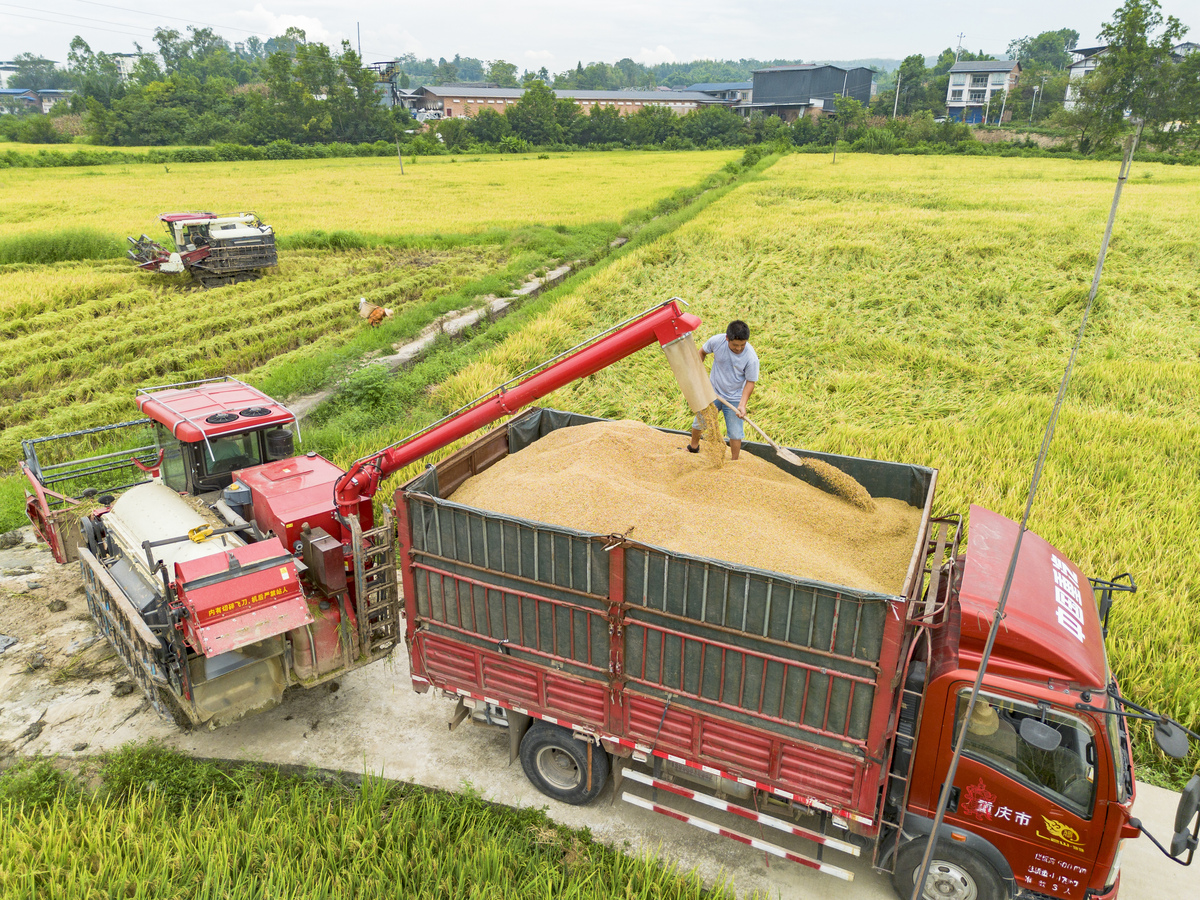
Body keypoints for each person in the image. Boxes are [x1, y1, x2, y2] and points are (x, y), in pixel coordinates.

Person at [687, 320, 759, 461]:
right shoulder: (717, 341)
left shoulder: (751, 358)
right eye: (735, 345)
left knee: (735, 432)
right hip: (712, 392)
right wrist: (697, 372)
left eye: (742, 345)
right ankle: (693, 447)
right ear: (727, 338)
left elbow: (750, 382)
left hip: (734, 397)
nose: (739, 348)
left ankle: (734, 461)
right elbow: (702, 352)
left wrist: (742, 405)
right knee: (699, 422)